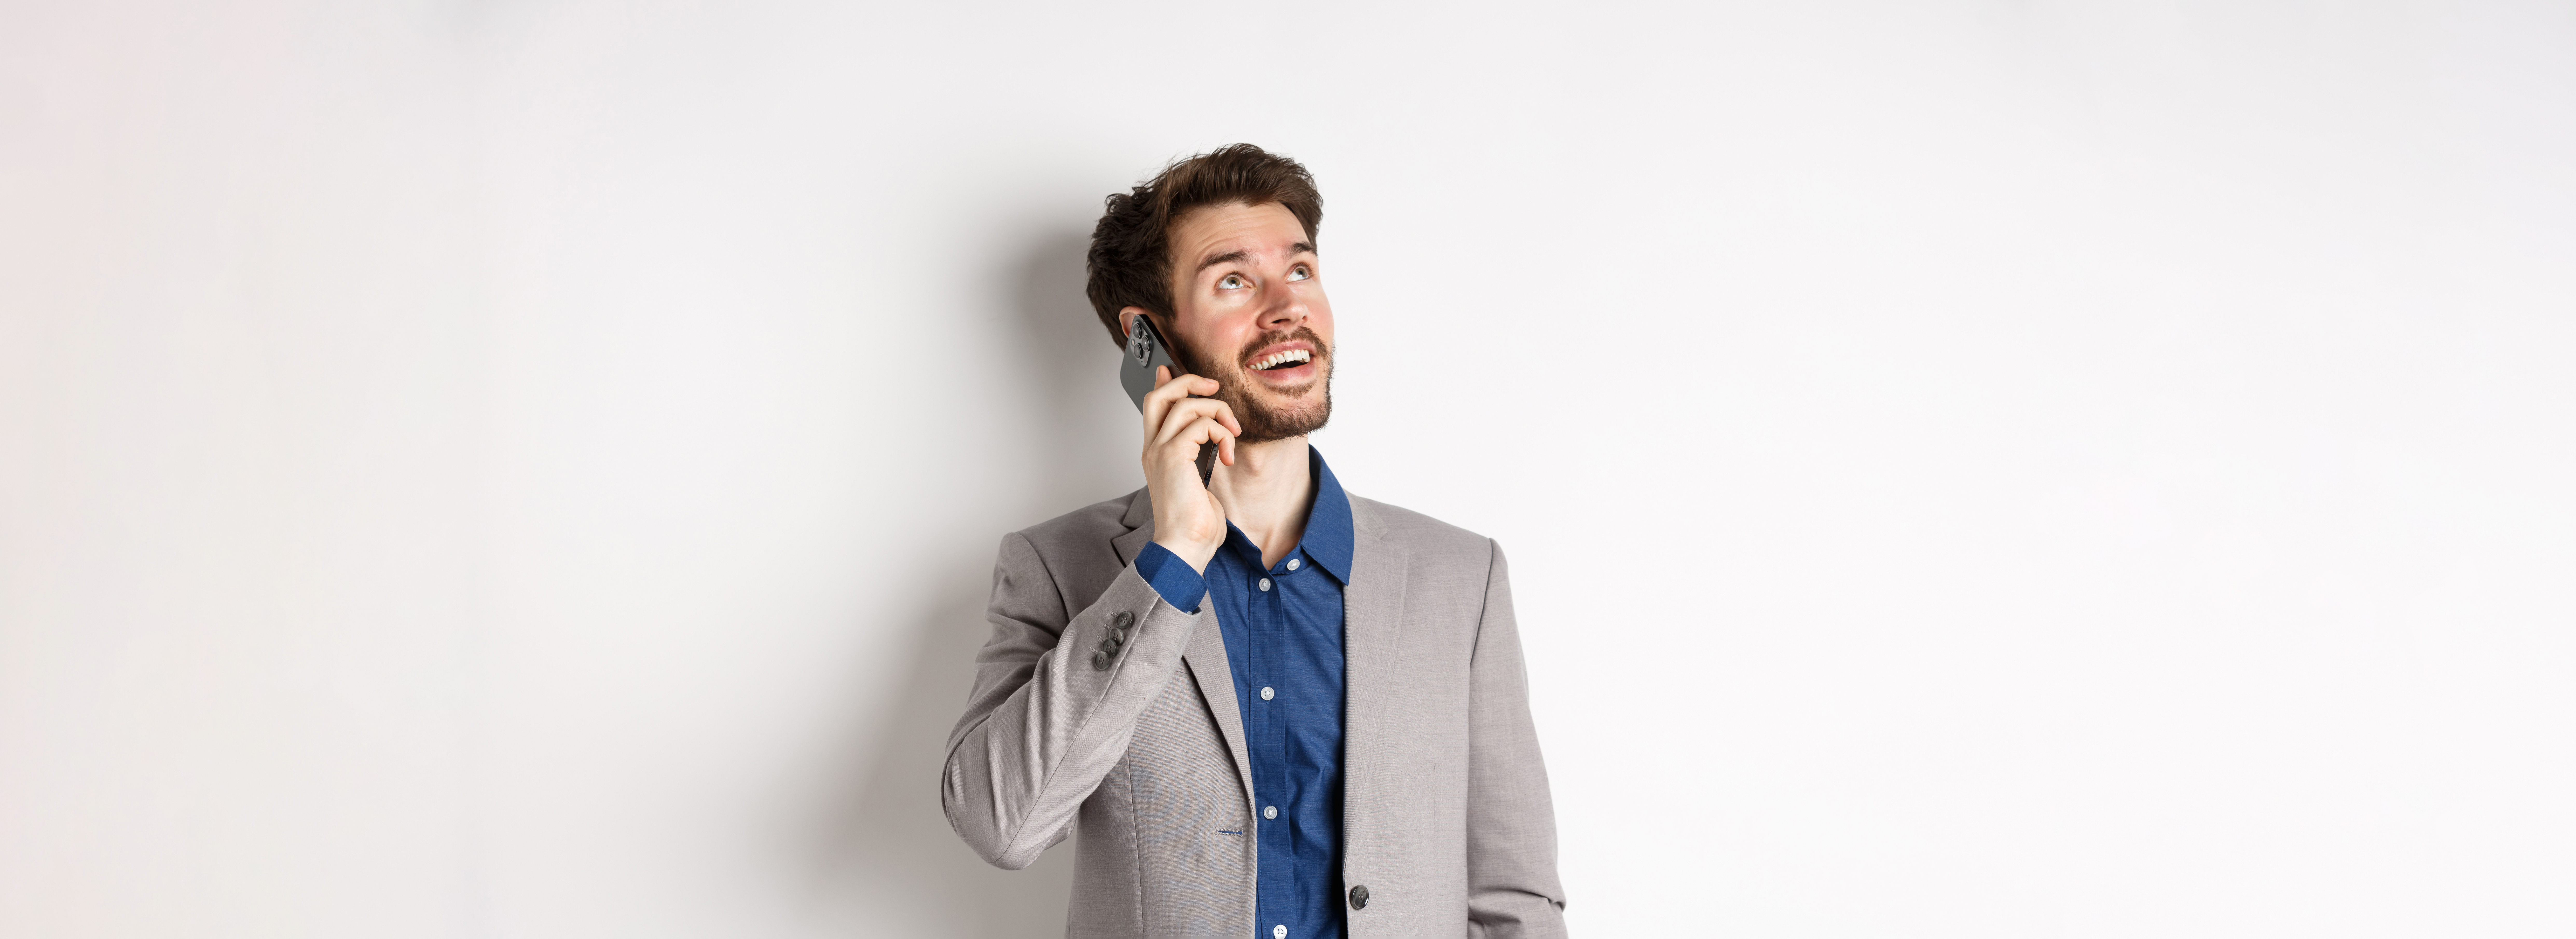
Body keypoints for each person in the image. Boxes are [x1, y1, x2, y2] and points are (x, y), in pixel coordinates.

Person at [940, 144, 1567, 938]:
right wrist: (1171, 560)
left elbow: (1513, 896)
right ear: (1148, 341)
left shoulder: (1460, 577)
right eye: (1234, 280)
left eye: (1300, 271)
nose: (1287, 306)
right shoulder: (1057, 568)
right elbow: (1001, 824)